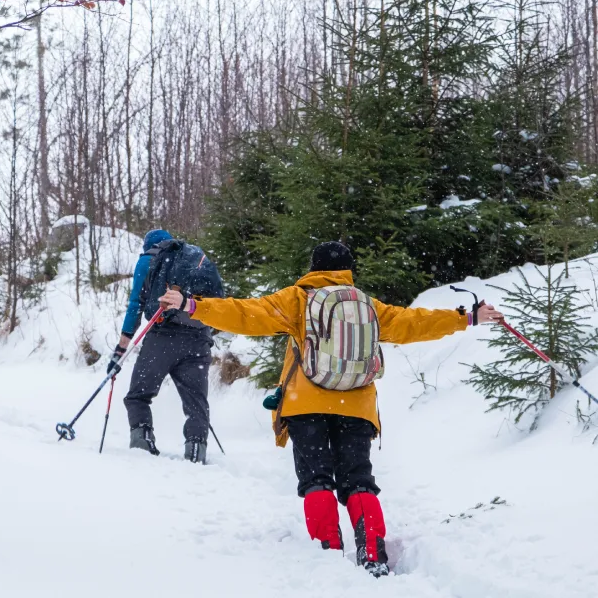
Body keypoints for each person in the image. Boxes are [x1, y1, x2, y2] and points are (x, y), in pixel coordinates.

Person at [158, 241, 503, 576]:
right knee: (359, 481)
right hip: (356, 404)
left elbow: (247, 313)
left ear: (314, 268)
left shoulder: (297, 299)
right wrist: (468, 317)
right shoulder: (367, 304)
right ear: (348, 270)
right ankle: (373, 554)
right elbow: (413, 322)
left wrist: (192, 305)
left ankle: (329, 554)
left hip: (305, 404)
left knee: (316, 479)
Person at [108, 229, 221, 464]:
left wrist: (120, 349)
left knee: (138, 396)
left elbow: (135, 306)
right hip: (199, 339)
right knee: (196, 402)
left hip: (163, 337)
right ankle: (196, 452)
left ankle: (143, 448)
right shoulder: (195, 257)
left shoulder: (148, 260)